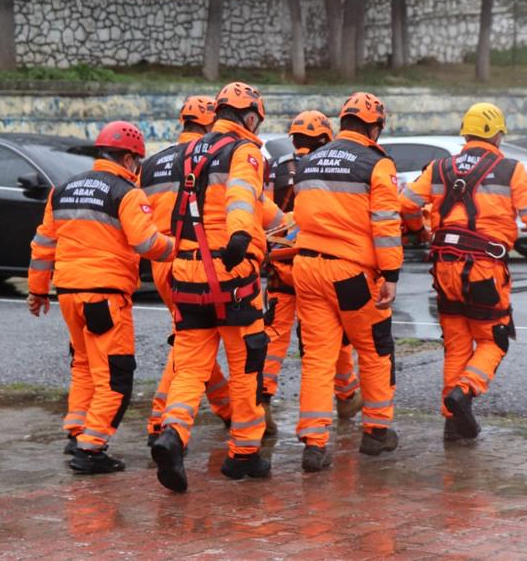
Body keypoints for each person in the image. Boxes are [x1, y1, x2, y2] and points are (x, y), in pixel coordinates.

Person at [399, 102, 527, 441]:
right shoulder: (510, 170)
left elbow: (405, 203)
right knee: (494, 339)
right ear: (495, 134)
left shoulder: (439, 167)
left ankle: (454, 423)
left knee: (457, 343)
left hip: (444, 266)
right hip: (484, 267)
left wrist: (419, 229)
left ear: (466, 132)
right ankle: (465, 391)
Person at [27, 120, 174, 474]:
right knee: (115, 376)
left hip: (68, 295)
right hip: (105, 296)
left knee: (83, 366)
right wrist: (179, 247)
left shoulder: (62, 190)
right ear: (128, 158)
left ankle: (77, 432)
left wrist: (36, 289)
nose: (137, 168)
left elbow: (43, 245)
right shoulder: (126, 192)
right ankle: (91, 449)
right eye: (137, 162)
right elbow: (147, 244)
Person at [152, 82, 272, 492]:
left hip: (185, 272)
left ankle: (173, 433)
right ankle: (244, 455)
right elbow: (241, 197)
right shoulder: (245, 151)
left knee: (189, 368)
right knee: (246, 366)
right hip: (231, 274)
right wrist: (240, 239)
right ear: (251, 116)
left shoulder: (186, 152)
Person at [292, 92, 403, 472]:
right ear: (375, 127)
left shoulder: (309, 161)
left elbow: (300, 215)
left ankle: (314, 440)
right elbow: (386, 224)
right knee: (374, 351)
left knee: (318, 357)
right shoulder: (377, 163)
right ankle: (376, 431)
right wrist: (390, 274)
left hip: (305, 268)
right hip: (352, 273)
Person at [262, 111, 363, 435]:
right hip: (315, 262)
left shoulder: (277, 168)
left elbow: (263, 212)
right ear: (324, 139)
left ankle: (260, 400)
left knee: (274, 338)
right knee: (332, 335)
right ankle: (346, 395)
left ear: (293, 139)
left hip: (280, 266)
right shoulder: (328, 167)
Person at [141, 96, 232, 445]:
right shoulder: (206, 157)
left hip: (161, 260)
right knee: (191, 344)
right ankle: (159, 422)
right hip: (196, 260)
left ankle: (227, 408)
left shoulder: (151, 163)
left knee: (192, 339)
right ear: (210, 123)